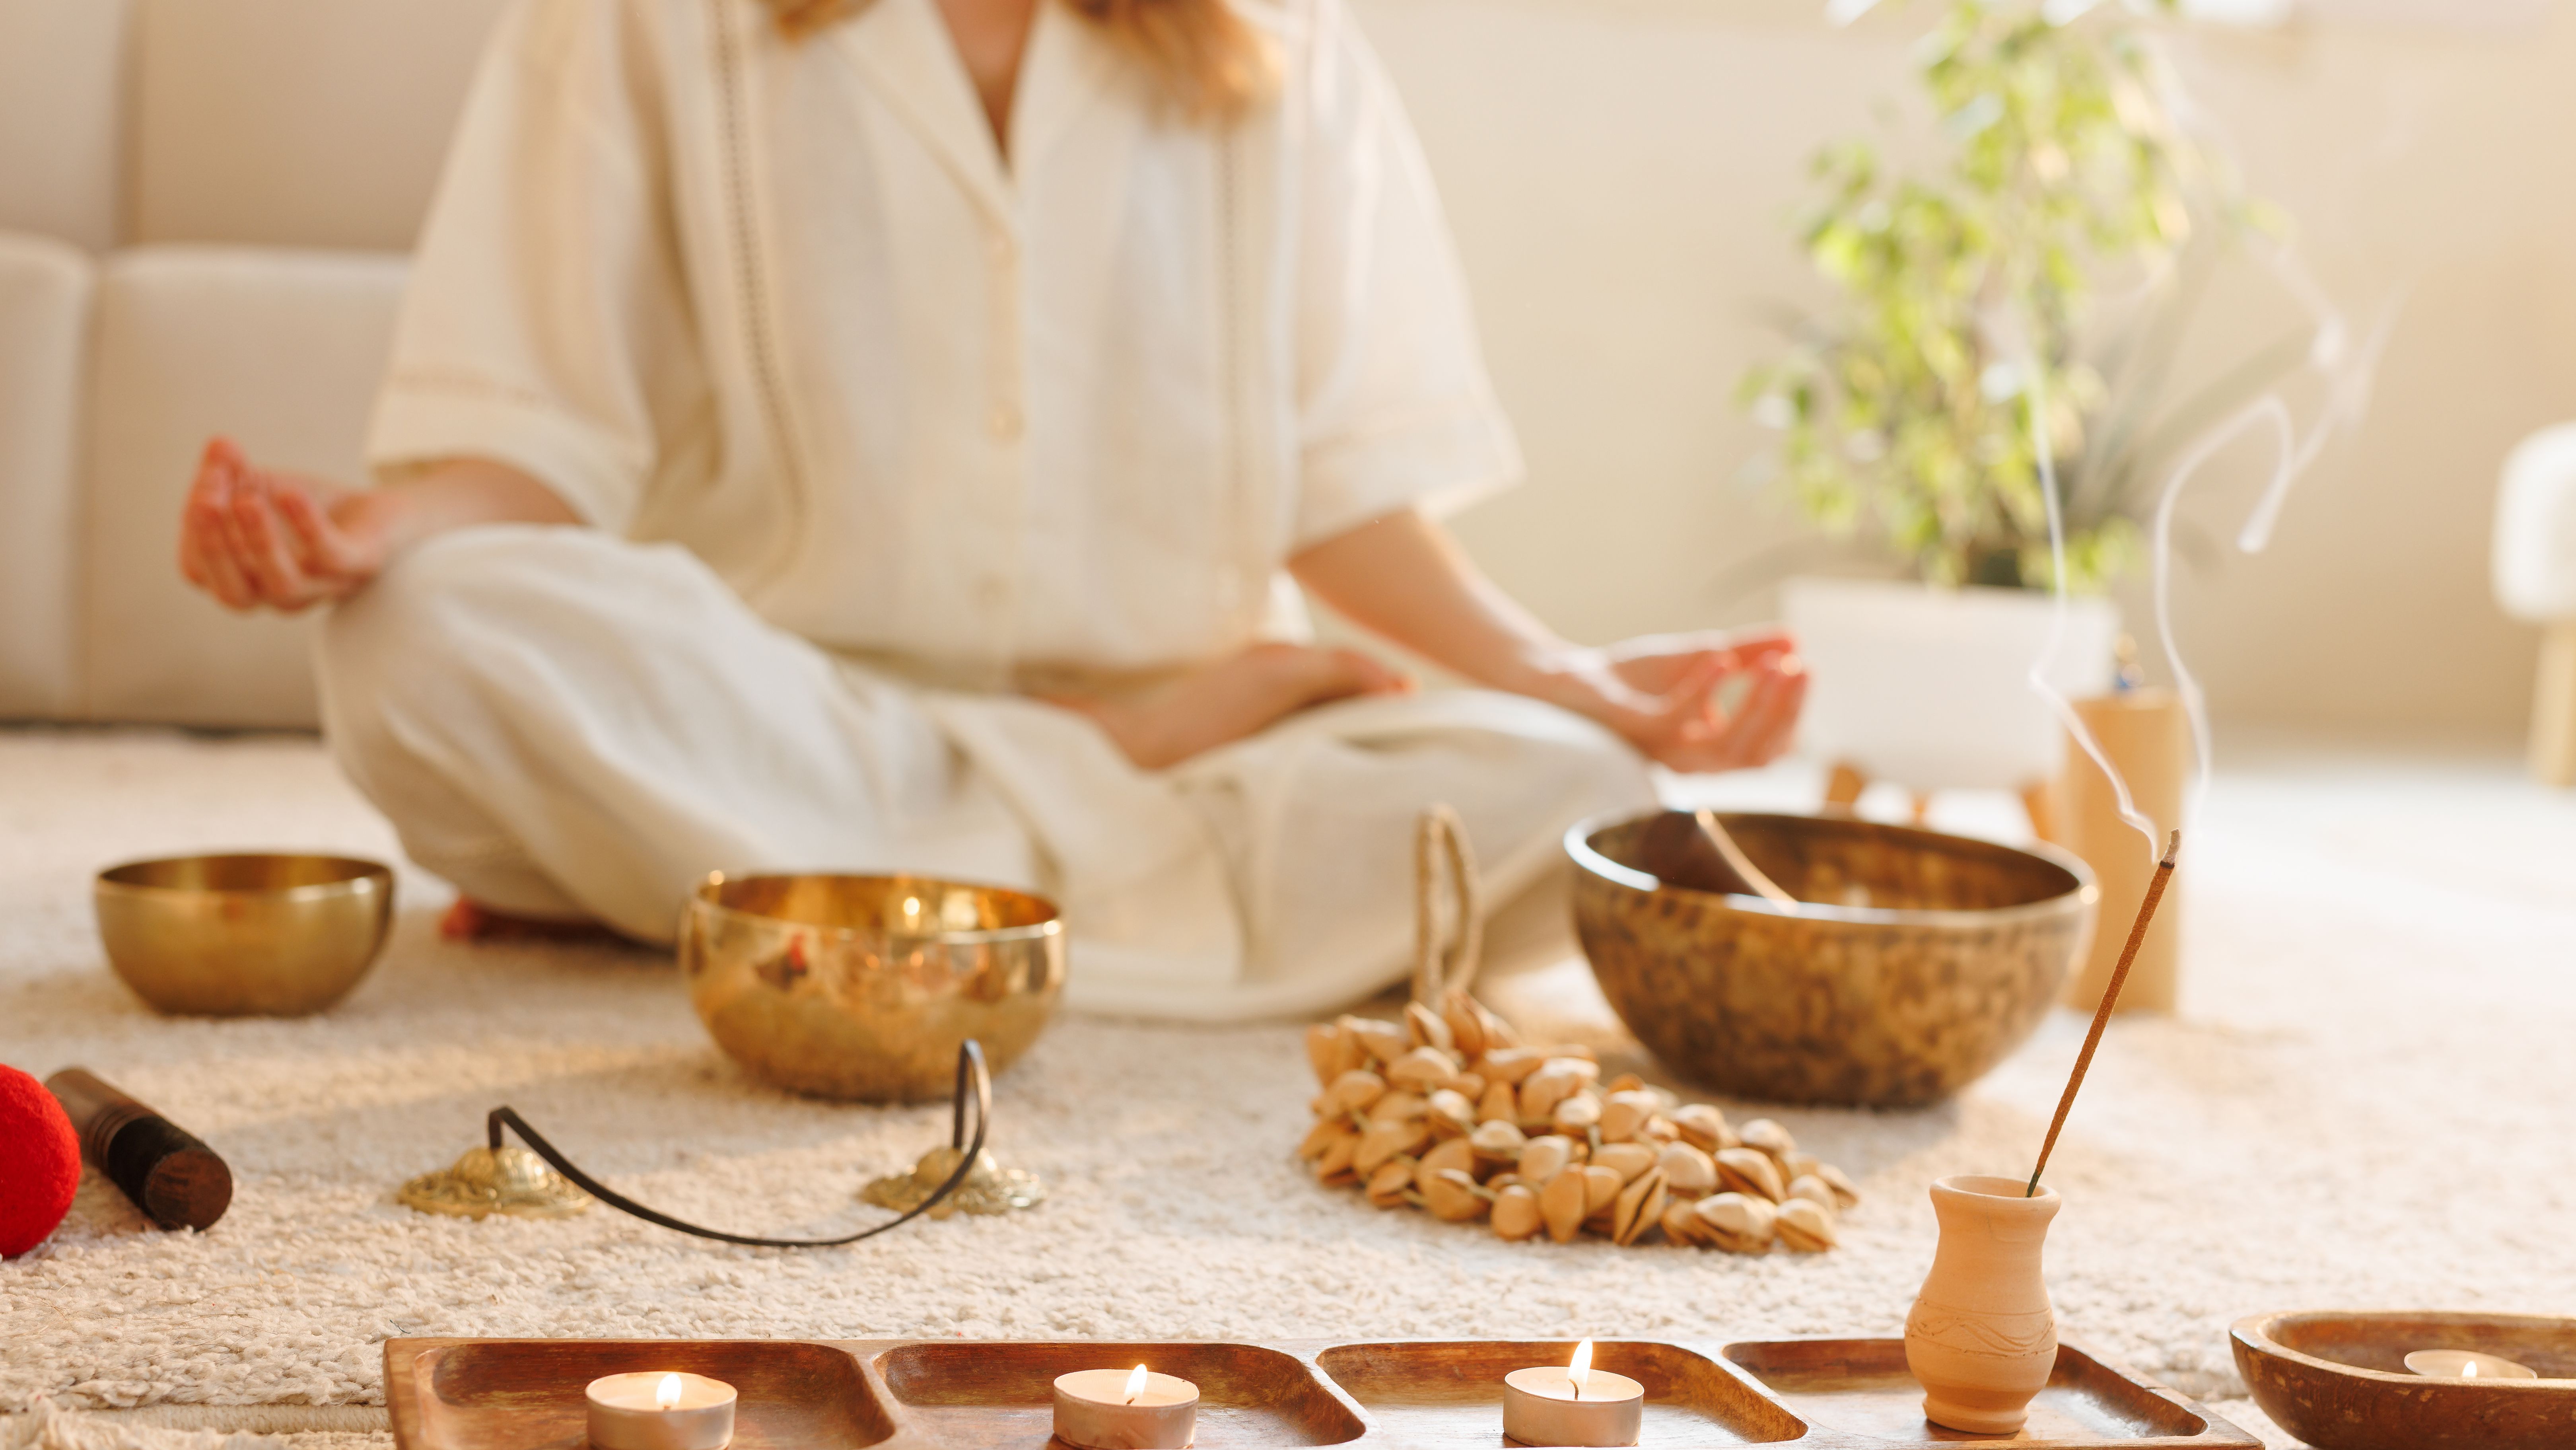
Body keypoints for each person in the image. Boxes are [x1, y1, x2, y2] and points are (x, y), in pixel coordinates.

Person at [175, 0, 1806, 1021]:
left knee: (1583, 790)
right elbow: (542, 439)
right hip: (795, 712)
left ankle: (749, 889)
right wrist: (377, 537)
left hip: (1209, 739)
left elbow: (1345, 489)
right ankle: (1055, 797)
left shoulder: (1283, 41)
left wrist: (1567, 678)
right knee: (414, 639)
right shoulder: (639, 22)